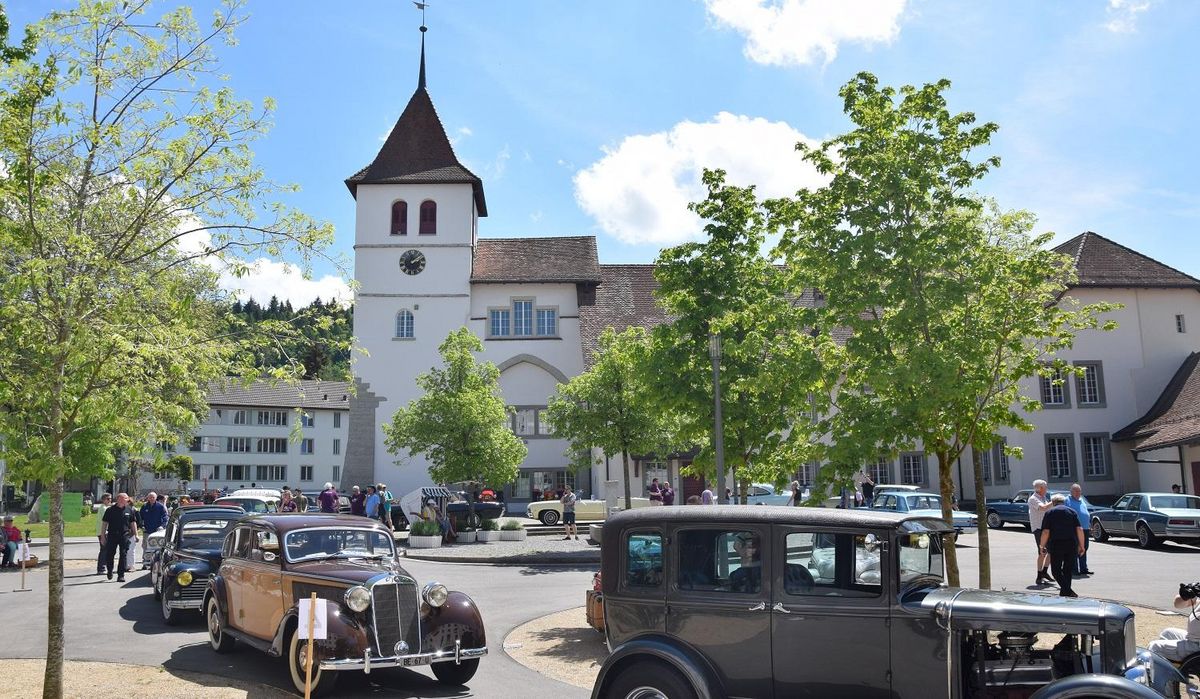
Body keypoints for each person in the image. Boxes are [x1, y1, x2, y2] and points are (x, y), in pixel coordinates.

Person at [1038, 493, 1085, 597]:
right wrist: (1082, 545)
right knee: (1067, 570)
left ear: (1053, 502)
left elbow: (1045, 531)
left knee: (1055, 571)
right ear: (1063, 502)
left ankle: (1067, 591)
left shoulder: (1050, 512)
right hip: (1071, 544)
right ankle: (1065, 593)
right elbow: (1079, 529)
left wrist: (1042, 546)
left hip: (1056, 544)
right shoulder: (1072, 512)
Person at [1148, 584, 1200, 661]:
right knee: (1167, 633)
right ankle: (1173, 667)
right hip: (1192, 638)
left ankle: (1154, 672)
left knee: (1154, 646)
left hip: (1197, 646)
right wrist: (1185, 596)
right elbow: (1178, 605)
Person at [101, 492, 137, 582]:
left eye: (127, 499)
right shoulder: (110, 510)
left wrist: (135, 534)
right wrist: (102, 536)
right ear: (119, 499)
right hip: (112, 535)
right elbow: (104, 523)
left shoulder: (129, 510)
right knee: (110, 554)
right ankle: (110, 570)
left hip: (124, 535)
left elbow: (133, 523)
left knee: (123, 554)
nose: (126, 500)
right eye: (125, 499)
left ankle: (121, 575)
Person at [1027, 479, 1055, 585]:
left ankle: (1044, 572)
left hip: (1047, 528)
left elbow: (1049, 510)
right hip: (1039, 528)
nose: (1047, 489)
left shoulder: (1044, 497)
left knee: (1051, 551)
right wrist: (1054, 501)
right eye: (1045, 487)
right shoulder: (1033, 498)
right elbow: (1043, 508)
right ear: (1040, 488)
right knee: (1042, 552)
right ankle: (1039, 576)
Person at [1064, 483, 1093, 576]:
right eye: (1076, 491)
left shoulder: (1082, 500)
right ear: (1071, 491)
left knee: (1084, 547)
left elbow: (1085, 513)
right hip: (1074, 528)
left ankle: (1084, 568)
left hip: (1084, 528)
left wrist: (1089, 524)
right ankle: (1074, 569)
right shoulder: (1067, 500)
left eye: (1079, 491)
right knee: (1074, 549)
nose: (1078, 493)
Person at [139, 492, 168, 568]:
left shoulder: (160, 506)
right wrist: (141, 525)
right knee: (145, 547)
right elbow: (140, 517)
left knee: (156, 547)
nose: (151, 499)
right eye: (150, 497)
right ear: (148, 498)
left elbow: (165, 517)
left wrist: (162, 526)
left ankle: (156, 562)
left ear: (155, 498)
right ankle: (145, 563)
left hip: (157, 530)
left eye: (153, 497)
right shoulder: (144, 506)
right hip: (147, 530)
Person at [94, 492, 112, 575]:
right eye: (108, 499)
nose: (110, 500)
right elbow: (107, 521)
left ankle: (103, 567)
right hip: (103, 532)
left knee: (105, 549)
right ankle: (101, 568)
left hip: (102, 532)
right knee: (104, 550)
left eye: (110, 499)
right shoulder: (104, 509)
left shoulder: (104, 507)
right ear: (104, 500)